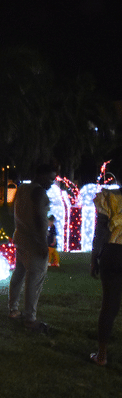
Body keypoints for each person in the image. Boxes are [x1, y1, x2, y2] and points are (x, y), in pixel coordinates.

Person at [8, 164, 57, 332]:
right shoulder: (39, 192)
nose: (51, 182)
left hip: (20, 238)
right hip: (35, 243)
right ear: (40, 174)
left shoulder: (22, 189)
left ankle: (13, 309)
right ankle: (30, 319)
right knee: (33, 281)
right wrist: (43, 243)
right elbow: (40, 219)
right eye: (50, 178)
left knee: (19, 275)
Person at [90, 156, 122, 366]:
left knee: (109, 306)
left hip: (113, 253)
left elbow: (101, 231)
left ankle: (102, 355)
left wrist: (95, 257)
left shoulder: (108, 197)